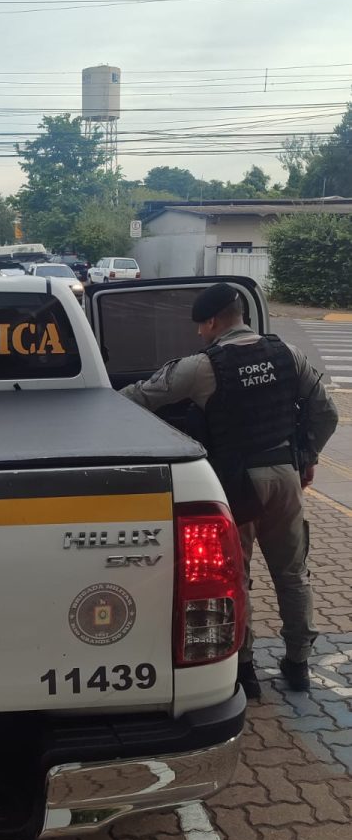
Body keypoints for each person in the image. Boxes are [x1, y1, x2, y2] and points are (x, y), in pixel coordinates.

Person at [122, 282, 338, 698]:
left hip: (237, 485)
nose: (200, 335)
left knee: (235, 577)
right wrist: (306, 457)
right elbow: (326, 411)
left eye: (200, 327)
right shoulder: (287, 354)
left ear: (212, 322)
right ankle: (298, 665)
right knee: (292, 574)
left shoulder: (204, 366)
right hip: (286, 476)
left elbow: (140, 397)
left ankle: (244, 669)